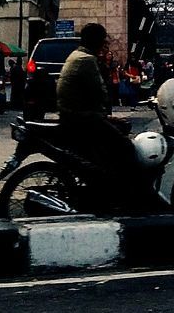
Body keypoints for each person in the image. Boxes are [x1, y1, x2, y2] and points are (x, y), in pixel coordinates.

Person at [56, 23, 149, 208]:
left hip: (74, 115)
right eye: (103, 40)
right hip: (83, 119)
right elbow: (100, 95)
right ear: (96, 41)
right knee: (126, 146)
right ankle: (127, 195)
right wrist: (107, 117)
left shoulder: (76, 55)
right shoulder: (87, 60)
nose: (106, 43)